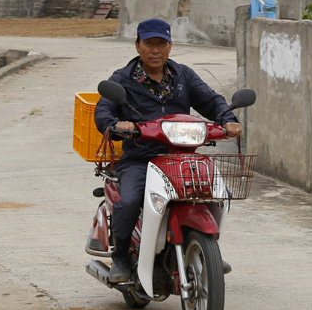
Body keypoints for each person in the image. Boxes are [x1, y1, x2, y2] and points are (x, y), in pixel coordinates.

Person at [95, 18, 243, 283]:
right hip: (141, 158)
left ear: (170, 46)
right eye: (149, 44)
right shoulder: (123, 79)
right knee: (128, 201)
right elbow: (103, 110)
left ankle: (206, 246)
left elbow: (210, 100)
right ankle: (121, 257)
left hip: (181, 156)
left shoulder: (183, 75)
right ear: (137, 45)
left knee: (219, 194)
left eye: (161, 44)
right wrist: (117, 124)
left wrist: (227, 120)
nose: (155, 50)